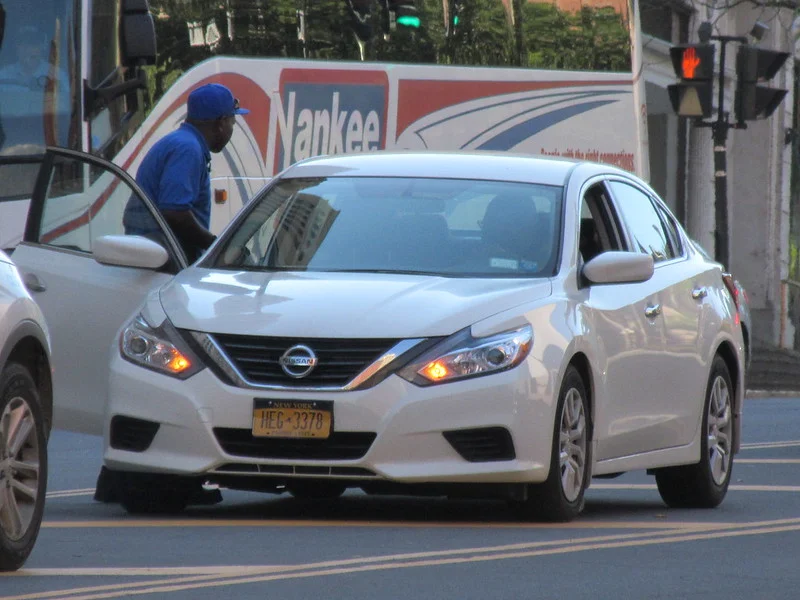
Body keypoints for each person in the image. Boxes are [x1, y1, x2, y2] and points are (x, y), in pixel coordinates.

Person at [124, 83, 249, 261]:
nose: (231, 129)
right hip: (160, 265)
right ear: (220, 123)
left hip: (155, 258)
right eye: (232, 122)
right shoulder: (188, 149)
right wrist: (216, 246)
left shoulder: (182, 142)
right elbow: (175, 213)